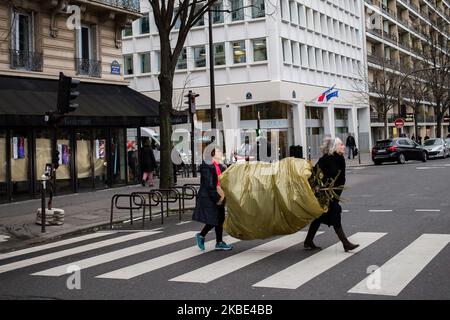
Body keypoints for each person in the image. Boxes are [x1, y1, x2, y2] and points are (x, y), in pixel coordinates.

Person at [304, 137, 359, 252]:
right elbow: (314, 174)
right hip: (325, 195)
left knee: (319, 217)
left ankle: (308, 241)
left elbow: (341, 178)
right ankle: (346, 243)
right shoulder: (326, 159)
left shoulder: (340, 159)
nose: (344, 146)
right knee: (335, 212)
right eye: (341, 145)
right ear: (335, 147)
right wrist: (318, 187)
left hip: (335, 194)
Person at [193, 146, 233, 251]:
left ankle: (219, 242)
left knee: (220, 219)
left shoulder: (220, 166)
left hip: (220, 194)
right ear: (212, 153)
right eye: (218, 151)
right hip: (209, 196)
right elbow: (209, 184)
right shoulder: (207, 166)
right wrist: (217, 198)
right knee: (214, 219)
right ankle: (201, 235)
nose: (221, 153)